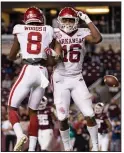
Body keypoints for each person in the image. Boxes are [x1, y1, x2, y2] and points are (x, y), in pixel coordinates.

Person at [7, 6, 60, 151]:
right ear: (40, 19)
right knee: (33, 112)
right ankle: (31, 149)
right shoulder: (49, 29)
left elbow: (11, 56)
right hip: (43, 72)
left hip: (29, 69)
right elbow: (52, 60)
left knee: (11, 107)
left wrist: (18, 54)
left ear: (26, 20)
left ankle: (19, 135)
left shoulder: (20, 28)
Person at [52, 7, 102, 151]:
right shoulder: (55, 33)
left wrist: (88, 20)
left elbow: (97, 38)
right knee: (62, 117)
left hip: (77, 77)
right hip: (60, 78)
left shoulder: (82, 31)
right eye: (65, 20)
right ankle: (67, 148)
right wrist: (54, 54)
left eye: (70, 19)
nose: (67, 22)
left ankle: (96, 146)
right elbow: (55, 55)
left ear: (76, 21)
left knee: (90, 114)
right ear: (60, 21)